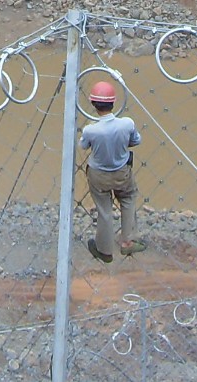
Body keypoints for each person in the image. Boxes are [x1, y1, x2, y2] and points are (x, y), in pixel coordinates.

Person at [79, 81, 145, 263]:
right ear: (114, 103)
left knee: (104, 211)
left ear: (93, 104)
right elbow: (136, 141)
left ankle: (104, 250)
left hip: (98, 174)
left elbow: (83, 146)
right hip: (122, 172)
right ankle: (127, 241)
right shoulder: (127, 124)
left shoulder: (91, 130)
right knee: (128, 198)